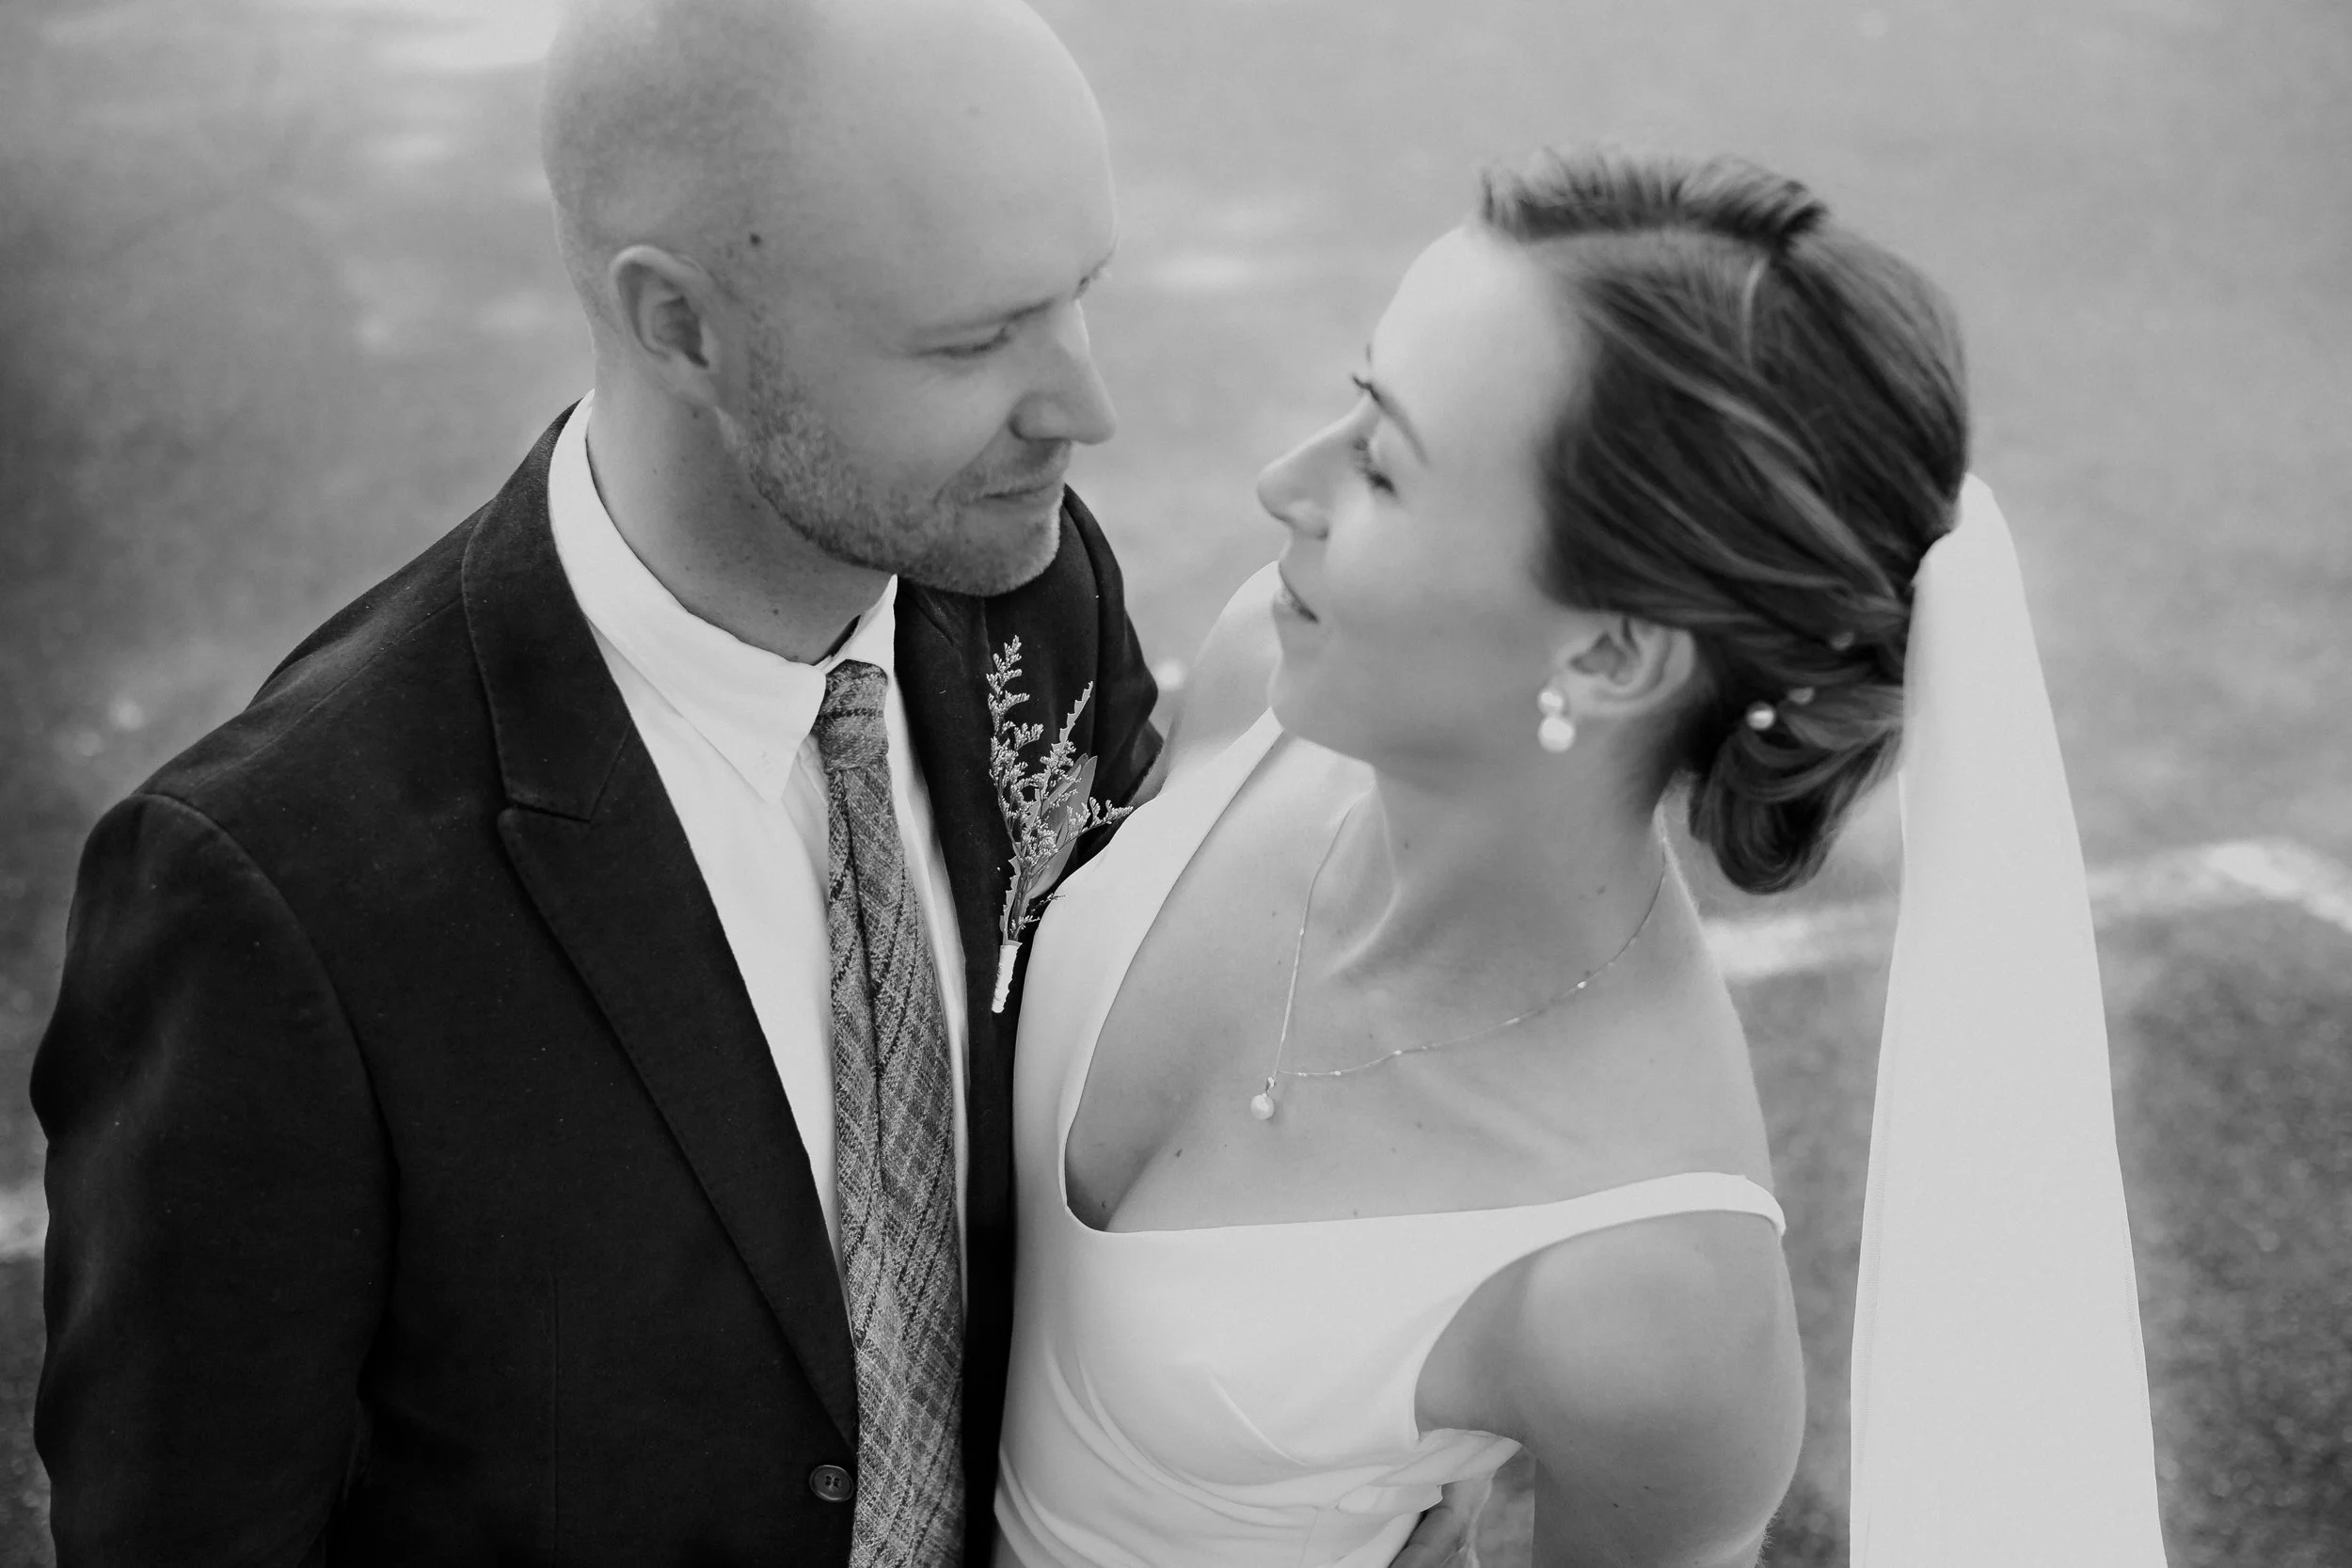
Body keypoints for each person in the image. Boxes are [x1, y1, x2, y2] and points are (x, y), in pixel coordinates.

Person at [33, 0, 1165, 1560]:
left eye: (1079, 297)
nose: (1085, 409)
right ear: (681, 327)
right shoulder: (272, 897)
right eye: (972, 341)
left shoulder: (1033, 591)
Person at [995, 149, 2166, 1567]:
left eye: (1380, 462)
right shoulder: (1269, 670)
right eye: (1358, 401)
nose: (1281, 483)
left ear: (1612, 653)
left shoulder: (1648, 1294)